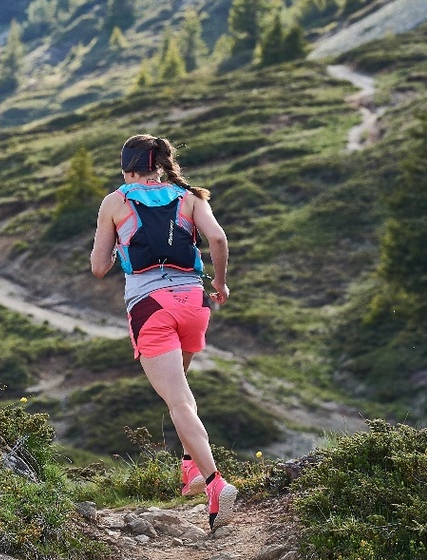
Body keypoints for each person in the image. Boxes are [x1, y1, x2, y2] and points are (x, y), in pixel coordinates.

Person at [89, 134, 237, 531]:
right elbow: (218, 238)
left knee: (178, 401)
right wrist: (220, 283)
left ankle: (215, 483)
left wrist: (114, 241)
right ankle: (190, 466)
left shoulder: (115, 201)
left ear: (128, 168)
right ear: (160, 166)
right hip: (194, 303)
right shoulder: (190, 197)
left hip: (151, 307)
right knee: (181, 390)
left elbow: (99, 268)